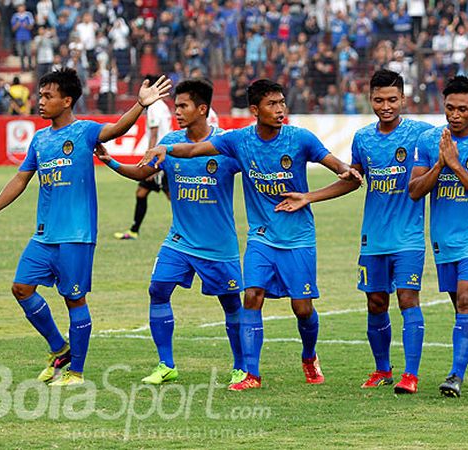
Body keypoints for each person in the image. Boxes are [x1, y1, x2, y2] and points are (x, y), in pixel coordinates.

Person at [139, 79, 362, 390]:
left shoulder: (301, 140)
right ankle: (251, 374)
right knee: (252, 296)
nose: (280, 109)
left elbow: (346, 175)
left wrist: (311, 194)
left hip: (298, 237)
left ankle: (309, 355)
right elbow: (192, 150)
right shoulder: (238, 140)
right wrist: (166, 147)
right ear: (255, 110)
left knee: (302, 309)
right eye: (272, 104)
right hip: (260, 236)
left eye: (282, 103)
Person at [0, 68, 171, 386]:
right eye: (41, 95)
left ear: (67, 100)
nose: (41, 101)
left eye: (48, 96)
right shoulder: (40, 139)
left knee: (74, 299)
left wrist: (140, 105)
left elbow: (116, 129)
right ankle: (59, 348)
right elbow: (21, 179)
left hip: (77, 235)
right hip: (44, 234)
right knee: (21, 288)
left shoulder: (85, 132)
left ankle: (75, 372)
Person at [94, 79, 247, 386]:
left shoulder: (227, 145)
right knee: (158, 290)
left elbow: (256, 169)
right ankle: (166, 364)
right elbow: (143, 172)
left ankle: (241, 366)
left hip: (218, 245)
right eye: (176, 105)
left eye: (183, 106)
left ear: (202, 109)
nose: (176, 111)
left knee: (231, 304)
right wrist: (110, 161)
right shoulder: (169, 142)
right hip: (179, 241)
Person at [408, 76, 468, 397]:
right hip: (443, 239)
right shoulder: (428, 140)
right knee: (464, 309)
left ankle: (454, 376)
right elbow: (414, 191)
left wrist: (456, 166)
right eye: (450, 108)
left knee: (466, 300)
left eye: (463, 109)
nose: (455, 115)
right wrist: (440, 163)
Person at [351, 69, 432, 394]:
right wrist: (310, 196)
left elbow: (455, 135)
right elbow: (353, 178)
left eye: (392, 99)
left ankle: (410, 375)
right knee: (375, 303)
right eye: (379, 100)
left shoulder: (421, 134)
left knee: (407, 297)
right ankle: (382, 369)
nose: (386, 106)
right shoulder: (362, 138)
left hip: (408, 237)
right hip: (373, 237)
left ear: (404, 99)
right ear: (370, 99)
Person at [114, 75, 173, 240]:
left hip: (159, 158)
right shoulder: (163, 106)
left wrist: (150, 162)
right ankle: (134, 230)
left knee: (172, 196)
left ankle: (192, 226)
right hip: (165, 155)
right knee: (142, 192)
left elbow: (154, 135)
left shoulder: (153, 107)